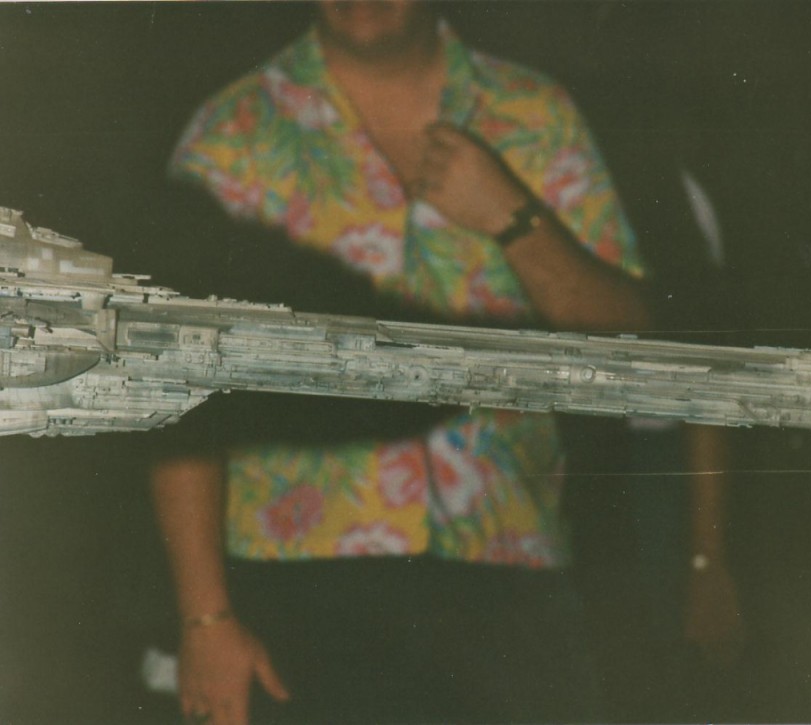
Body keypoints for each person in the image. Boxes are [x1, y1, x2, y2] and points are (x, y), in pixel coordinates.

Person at [149, 2, 649, 723]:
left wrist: (513, 216)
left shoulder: (534, 113)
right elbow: (172, 387)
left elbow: (633, 348)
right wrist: (205, 618)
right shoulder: (232, 133)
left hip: (507, 575)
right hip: (298, 590)